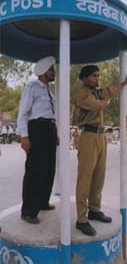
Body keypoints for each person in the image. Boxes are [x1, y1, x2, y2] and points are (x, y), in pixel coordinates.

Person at [73, 64, 127, 236]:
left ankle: (94, 209)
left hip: (100, 136)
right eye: (93, 76)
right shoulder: (82, 93)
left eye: (98, 76)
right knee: (85, 179)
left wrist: (124, 83)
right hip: (88, 137)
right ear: (84, 78)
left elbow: (110, 89)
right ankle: (81, 219)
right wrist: (106, 99)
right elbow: (99, 106)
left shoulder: (97, 91)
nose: (97, 78)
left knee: (99, 176)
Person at [17, 56, 58, 224]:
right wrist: (24, 136)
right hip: (37, 129)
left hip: (49, 128)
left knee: (49, 168)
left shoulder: (49, 90)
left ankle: (42, 202)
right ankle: (28, 211)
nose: (54, 73)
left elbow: (52, 114)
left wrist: (55, 134)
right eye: (51, 70)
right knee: (35, 170)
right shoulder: (32, 88)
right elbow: (23, 113)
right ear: (43, 72)